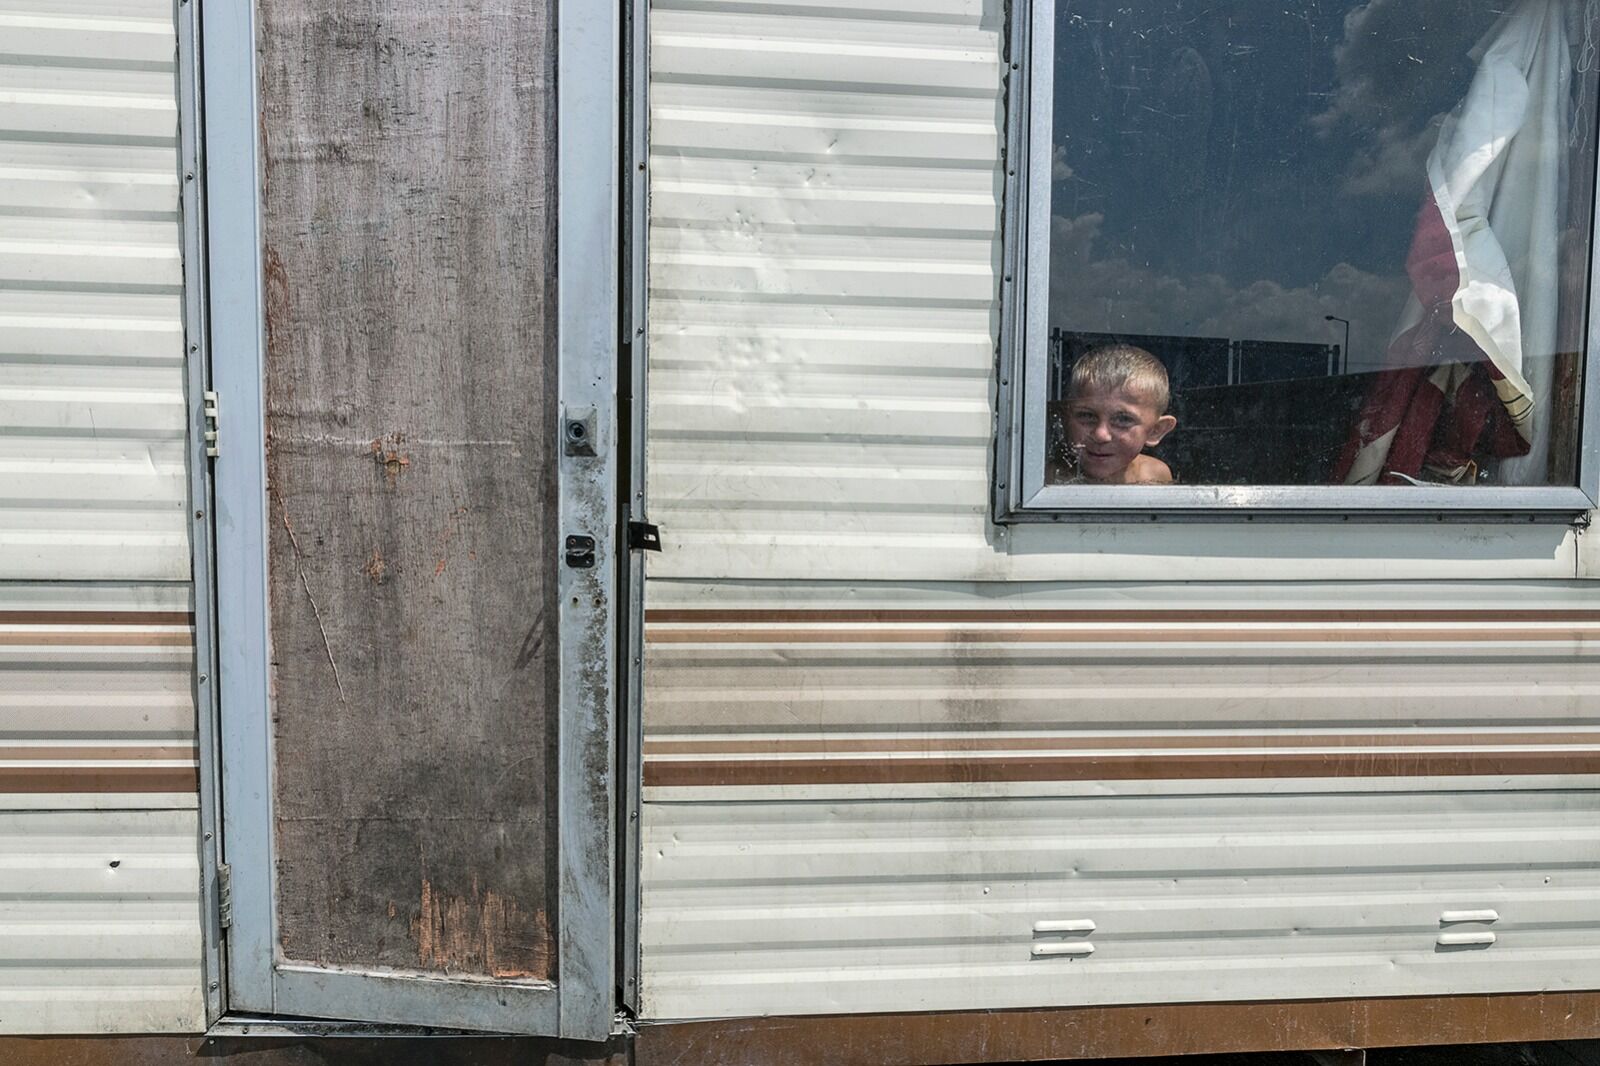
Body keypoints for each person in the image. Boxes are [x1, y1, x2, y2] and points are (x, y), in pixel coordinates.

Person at [1061, 343, 1177, 484]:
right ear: (1065, 418)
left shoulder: (1154, 475)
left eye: (1123, 419)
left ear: (1155, 431)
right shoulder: (1045, 481)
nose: (1101, 435)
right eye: (1087, 416)